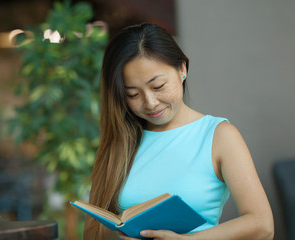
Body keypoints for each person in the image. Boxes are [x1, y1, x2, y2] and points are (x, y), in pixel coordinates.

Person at [84, 23, 274, 240]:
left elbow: (263, 226)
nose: (150, 103)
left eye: (158, 87)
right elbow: (92, 232)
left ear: (182, 69)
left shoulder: (219, 136)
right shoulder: (120, 141)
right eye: (133, 94)